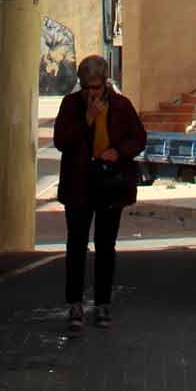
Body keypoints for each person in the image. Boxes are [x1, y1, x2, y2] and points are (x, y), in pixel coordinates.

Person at [53, 55, 146, 327]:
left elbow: (138, 137)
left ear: (105, 84)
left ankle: (103, 304)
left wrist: (118, 152)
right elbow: (61, 141)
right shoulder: (70, 106)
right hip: (79, 185)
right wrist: (86, 119)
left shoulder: (121, 106)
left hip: (110, 185)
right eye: (86, 88)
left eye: (95, 87)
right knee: (77, 245)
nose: (91, 93)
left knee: (106, 246)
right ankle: (75, 305)